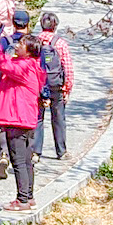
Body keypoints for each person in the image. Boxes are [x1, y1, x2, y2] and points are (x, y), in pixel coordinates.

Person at [0, 17, 48, 212]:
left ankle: (22, 199)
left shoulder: (25, 66)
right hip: (24, 117)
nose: (17, 45)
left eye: (21, 44)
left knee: (19, 160)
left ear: (29, 50)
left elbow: (2, 64)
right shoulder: (30, 65)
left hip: (17, 118)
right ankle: (28, 197)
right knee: (26, 159)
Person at [37, 10, 75, 160]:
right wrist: (67, 87)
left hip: (39, 85)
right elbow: (68, 67)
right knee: (58, 118)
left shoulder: (34, 41)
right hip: (56, 84)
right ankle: (61, 151)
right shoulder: (60, 43)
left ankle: (35, 151)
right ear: (55, 26)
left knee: (38, 118)